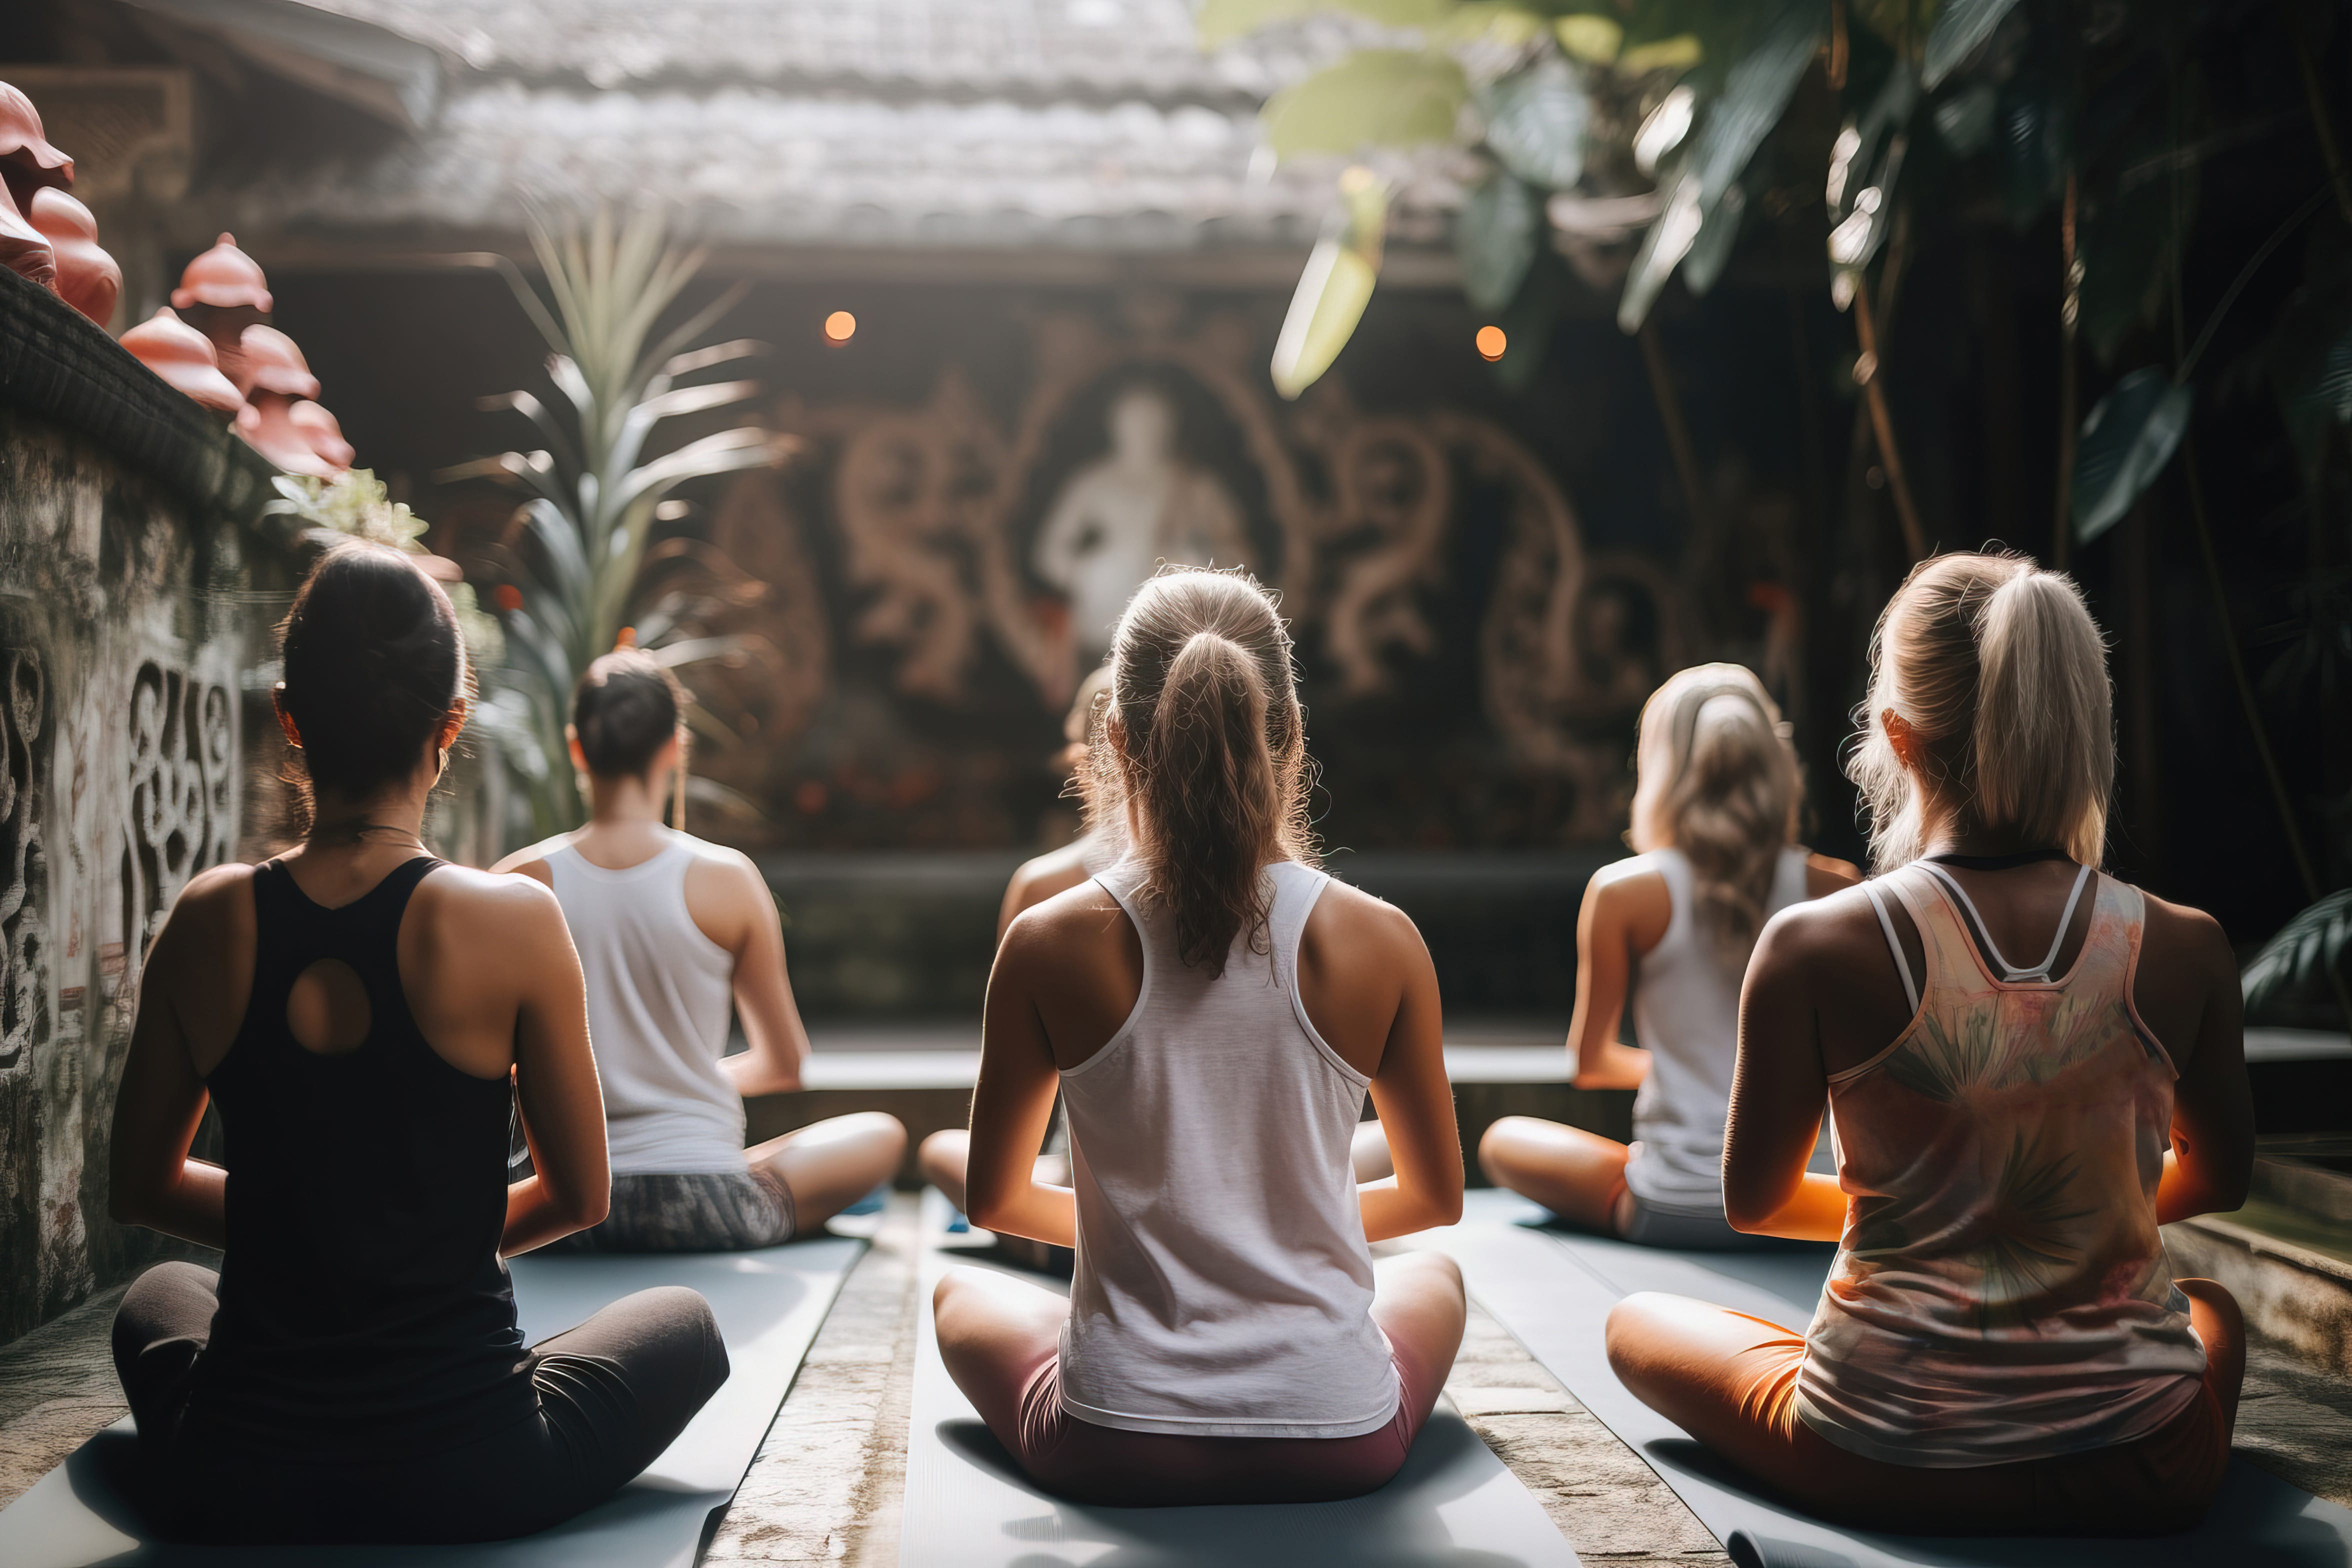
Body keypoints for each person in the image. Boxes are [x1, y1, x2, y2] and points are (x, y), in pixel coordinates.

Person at [1604, 553, 2254, 1536]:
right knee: (2213, 1309)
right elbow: (2220, 1176)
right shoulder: (2188, 945)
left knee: (1633, 1322)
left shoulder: (1813, 943)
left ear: (1897, 736)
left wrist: (1945, 1215)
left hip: (1878, 1452)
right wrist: (2048, 1216)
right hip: (2144, 1461)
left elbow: (1757, 1200)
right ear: (2079, 723)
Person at [107, 544, 727, 1544]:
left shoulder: (206, 917)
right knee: (686, 1323)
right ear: (451, 723)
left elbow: (139, 1183)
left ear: (290, 715)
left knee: (159, 1294)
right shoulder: (514, 919)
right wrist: (411, 1244)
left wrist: (316, 1231)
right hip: (476, 1465)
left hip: (240, 1469)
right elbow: (581, 1194)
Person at [932, 566, 1468, 1506]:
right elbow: (1434, 1197)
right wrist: (1278, 1235)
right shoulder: (1384, 940)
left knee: (954, 1297)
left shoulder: (1046, 940)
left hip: (1115, 1437)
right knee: (1438, 1278)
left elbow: (995, 1199)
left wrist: (1161, 1237)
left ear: (1114, 737)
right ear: (1288, 733)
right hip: (1340, 1435)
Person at [495, 650, 905, 1251]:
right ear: (675, 746)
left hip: (561, 1214)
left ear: (577, 748)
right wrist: (678, 1077)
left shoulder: (516, 880)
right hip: (705, 1204)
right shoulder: (728, 877)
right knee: (881, 1135)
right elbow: (785, 1063)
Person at [1478, 664, 1857, 1247]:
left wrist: (1685, 1068)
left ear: (1662, 767)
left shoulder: (1622, 891)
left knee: (1502, 1142)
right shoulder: (1838, 887)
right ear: (1776, 763)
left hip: (1674, 1203)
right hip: (1813, 1206)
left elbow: (1590, 1062)